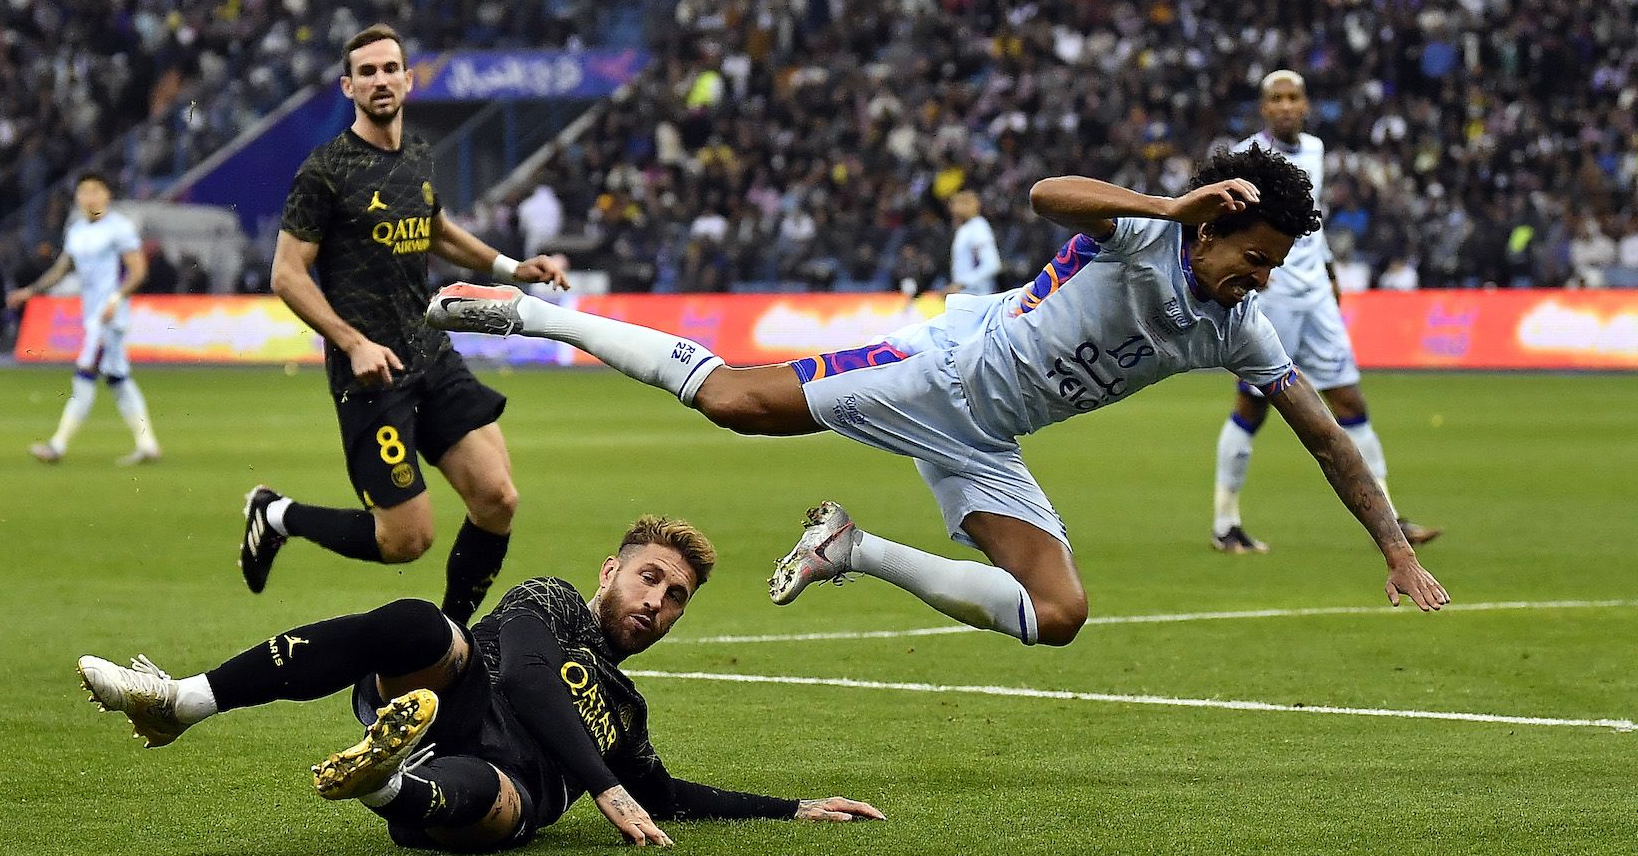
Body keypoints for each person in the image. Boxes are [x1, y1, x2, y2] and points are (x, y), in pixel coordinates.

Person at [428, 146, 1451, 648]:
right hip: (942, 374)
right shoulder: (1143, 234)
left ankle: (853, 548)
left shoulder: (1239, 327)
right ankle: (534, 315)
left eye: (1275, 266)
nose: (1260, 278)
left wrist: (1394, 551)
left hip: (989, 436)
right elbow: (1046, 196)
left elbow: (1322, 436)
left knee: (1058, 614)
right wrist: (1161, 202)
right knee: (732, 401)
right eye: (1253, 257)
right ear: (1208, 228)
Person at [80, 515, 883, 853]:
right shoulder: (554, 602)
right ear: (611, 572)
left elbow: (666, 795)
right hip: (452, 696)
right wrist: (602, 786)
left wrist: (794, 806)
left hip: (496, 784)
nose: (656, 603)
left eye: (675, 599)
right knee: (421, 624)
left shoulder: (626, 712)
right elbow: (529, 674)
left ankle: (384, 782)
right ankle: (180, 702)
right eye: (649, 579)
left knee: (505, 802)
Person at [239, 23, 570, 627]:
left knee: (497, 499)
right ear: (348, 87)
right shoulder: (326, 172)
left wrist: (510, 266)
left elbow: (437, 228)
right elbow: (286, 274)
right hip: (372, 373)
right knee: (405, 540)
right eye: (366, 72)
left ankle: (450, 642)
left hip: (430, 354)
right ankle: (277, 515)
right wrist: (353, 342)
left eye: (390, 68)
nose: (380, 80)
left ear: (408, 79)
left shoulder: (417, 154)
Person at [1212, 71, 1440, 553]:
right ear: (1263, 109)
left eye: (1294, 97)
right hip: (1272, 302)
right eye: (1277, 99)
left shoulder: (1315, 150)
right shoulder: (1248, 159)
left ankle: (1390, 517)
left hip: (1317, 300)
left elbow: (1310, 224)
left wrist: (1330, 270)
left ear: (1307, 104)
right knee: (1252, 409)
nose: (1287, 106)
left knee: (1351, 403)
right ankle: (1225, 521)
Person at [5, 174, 159, 466]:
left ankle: (57, 445)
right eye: (84, 192)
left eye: (95, 191)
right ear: (77, 197)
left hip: (108, 318)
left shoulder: (119, 229)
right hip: (93, 316)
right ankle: (147, 444)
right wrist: (31, 291)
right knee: (118, 379)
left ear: (107, 195)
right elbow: (63, 268)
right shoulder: (77, 231)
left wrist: (115, 299)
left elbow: (138, 271)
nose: (90, 197)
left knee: (84, 376)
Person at [948, 189, 1001, 293]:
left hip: (979, 296)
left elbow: (992, 264)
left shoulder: (978, 227)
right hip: (966, 296)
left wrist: (963, 283)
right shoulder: (964, 229)